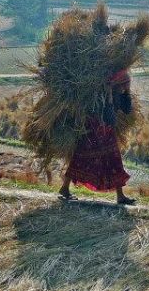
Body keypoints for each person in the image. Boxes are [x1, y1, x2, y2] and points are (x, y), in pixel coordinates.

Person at [59, 69, 136, 205]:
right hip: (92, 132)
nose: (127, 86)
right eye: (126, 83)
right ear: (119, 84)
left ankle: (120, 196)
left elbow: (127, 110)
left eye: (128, 84)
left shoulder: (120, 94)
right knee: (80, 158)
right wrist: (109, 100)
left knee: (114, 162)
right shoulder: (102, 95)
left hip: (106, 133)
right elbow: (109, 118)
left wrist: (127, 93)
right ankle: (64, 188)